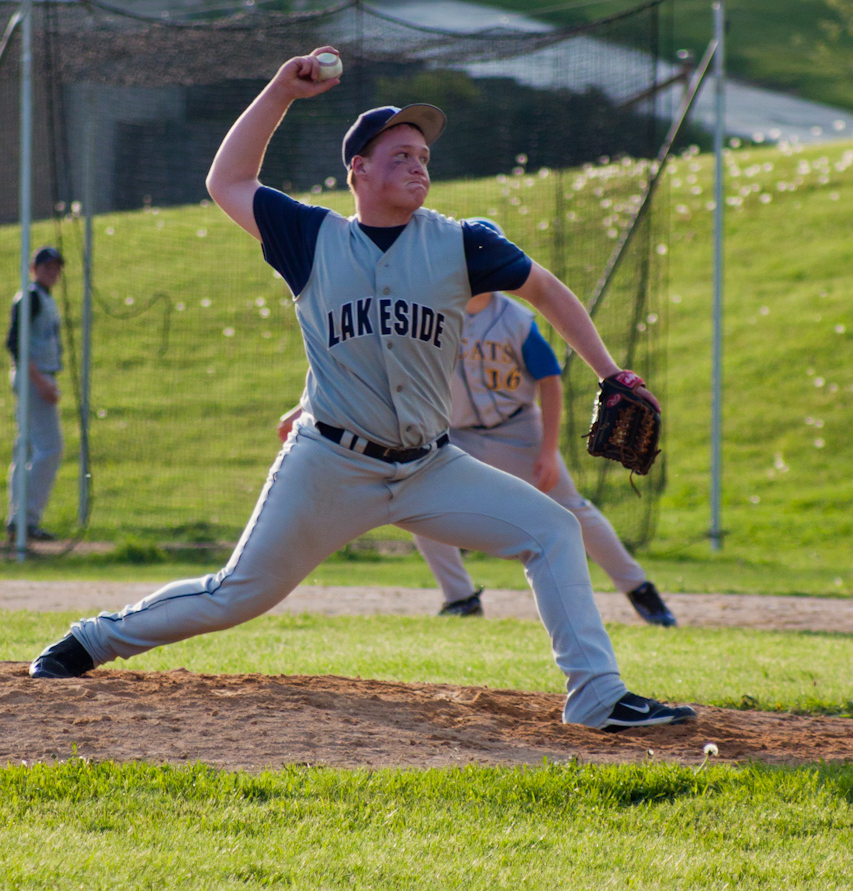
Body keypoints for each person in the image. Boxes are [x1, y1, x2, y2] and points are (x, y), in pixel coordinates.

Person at [29, 45, 695, 733]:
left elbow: (546, 290)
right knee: (237, 595)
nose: (418, 165)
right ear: (359, 170)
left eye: (424, 157)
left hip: (431, 467)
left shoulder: (461, 243)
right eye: (400, 154)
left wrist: (610, 372)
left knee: (553, 529)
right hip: (330, 463)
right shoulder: (309, 236)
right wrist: (280, 93)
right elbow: (227, 180)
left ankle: (596, 697)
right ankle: (91, 641)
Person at [411, 287, 677, 626]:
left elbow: (550, 381)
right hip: (456, 433)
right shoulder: (435, 311)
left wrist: (548, 451)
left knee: (573, 509)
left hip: (518, 430)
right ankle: (460, 597)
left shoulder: (515, 319)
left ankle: (638, 587)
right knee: (418, 502)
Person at [6, 245, 65, 543]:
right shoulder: (30, 297)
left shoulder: (43, 298)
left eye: (56, 267)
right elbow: (15, 343)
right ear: (33, 268)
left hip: (36, 376)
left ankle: (19, 519)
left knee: (27, 448)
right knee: (50, 448)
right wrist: (41, 382)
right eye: (46, 266)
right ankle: (25, 519)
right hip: (33, 377)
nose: (52, 272)